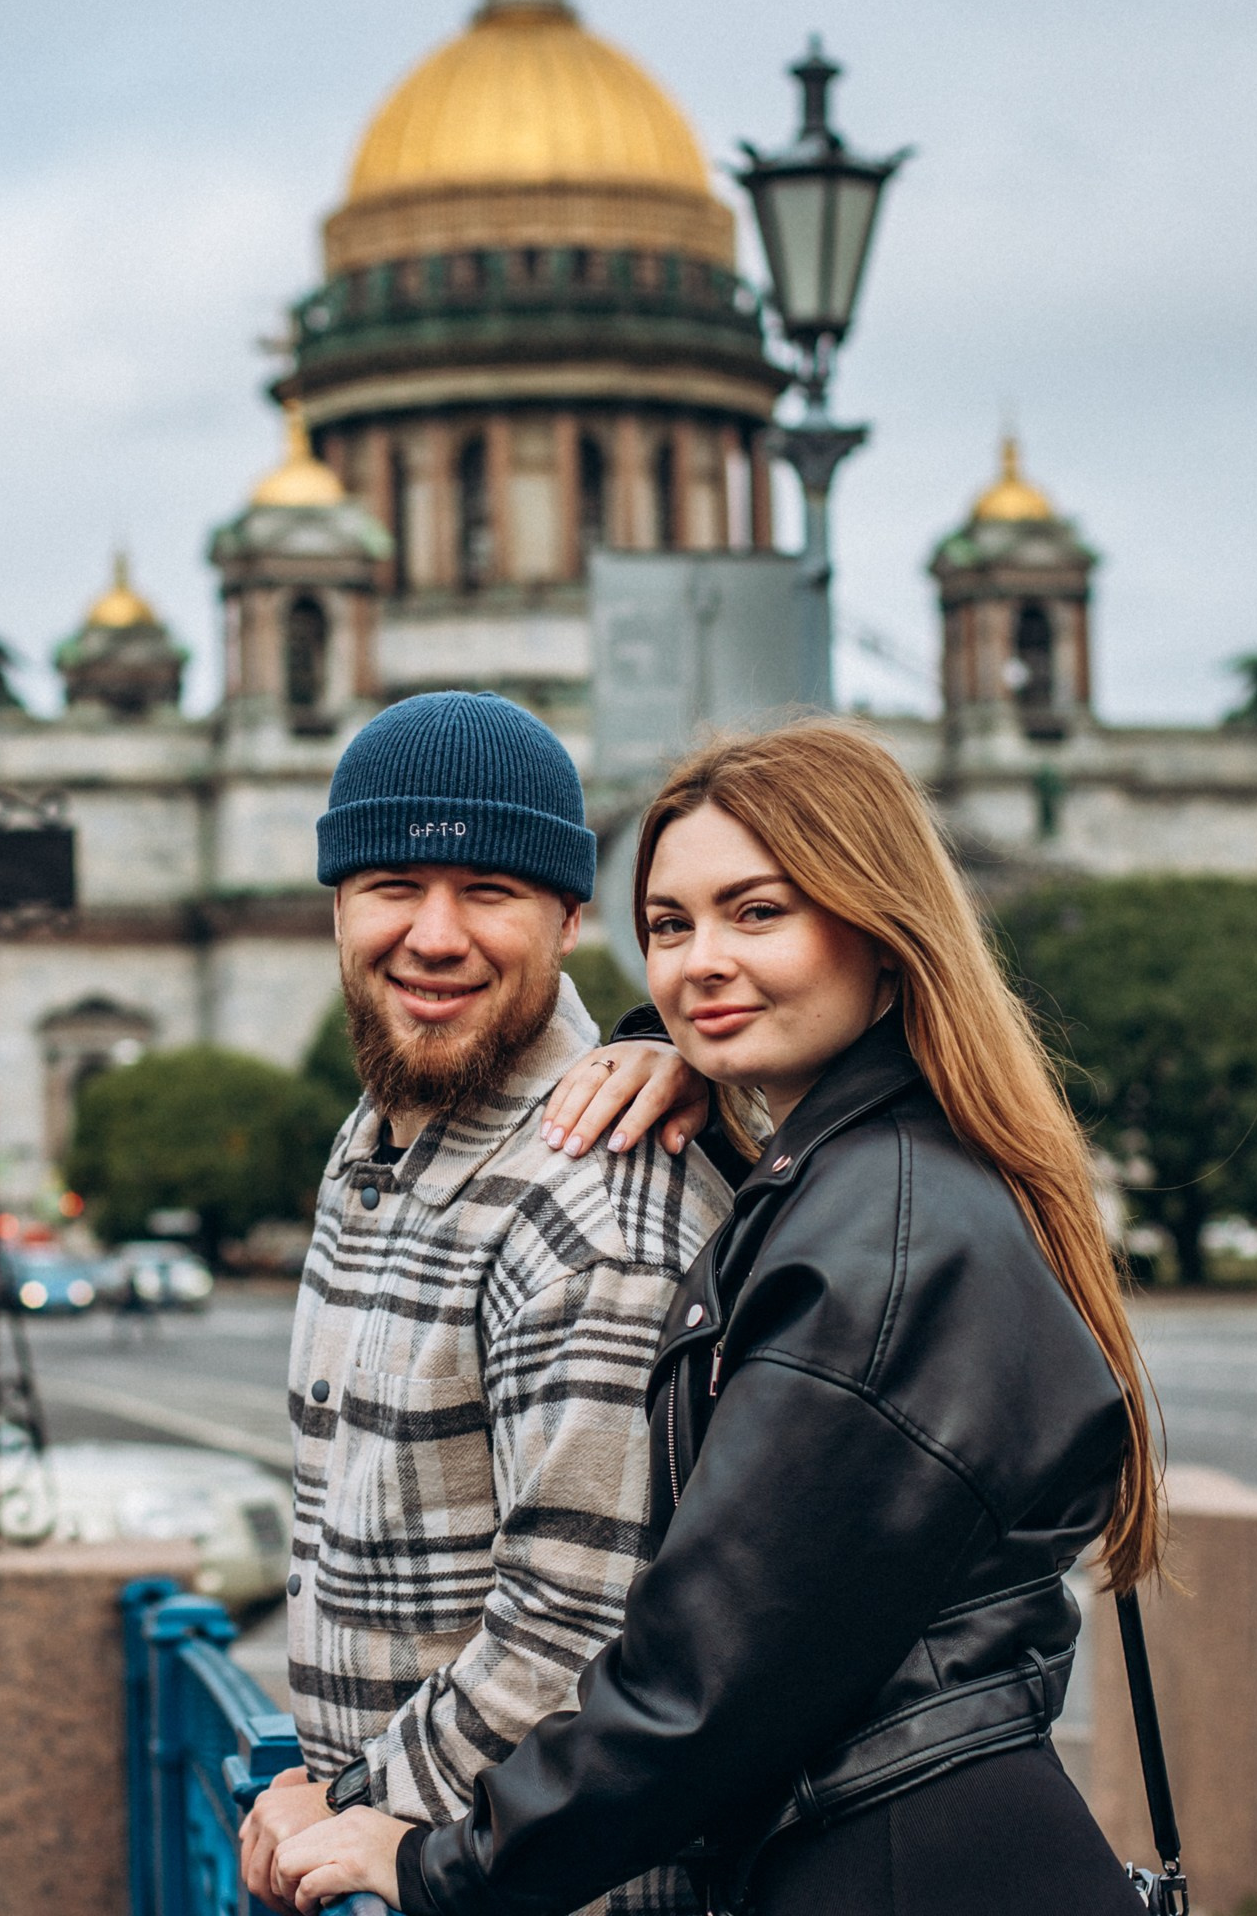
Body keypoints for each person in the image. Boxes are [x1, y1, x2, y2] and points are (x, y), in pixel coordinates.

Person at [271, 718, 1162, 1916]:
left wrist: (417, 1855)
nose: (699, 964)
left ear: (881, 929)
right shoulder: (844, 1177)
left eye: (758, 913)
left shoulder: (879, 1240)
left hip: (899, 1866)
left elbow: (691, 1676)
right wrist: (672, 1051)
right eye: (672, 926)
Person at [238, 692, 731, 1916]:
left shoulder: (595, 1209)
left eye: (491, 891)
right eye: (394, 883)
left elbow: (577, 1633)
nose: (435, 935)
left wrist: (350, 1801)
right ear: (338, 908)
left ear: (570, 919)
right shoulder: (378, 1142)